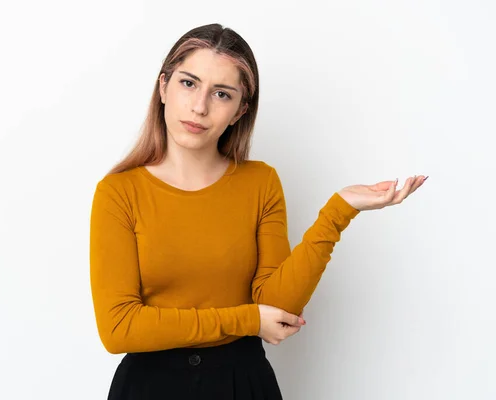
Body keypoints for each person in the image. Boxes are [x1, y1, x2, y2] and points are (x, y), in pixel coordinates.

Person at [89, 23, 427, 400]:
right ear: (163, 86)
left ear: (239, 111)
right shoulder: (119, 192)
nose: (199, 107)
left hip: (243, 385)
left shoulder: (260, 183)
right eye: (188, 83)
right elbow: (118, 327)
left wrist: (339, 211)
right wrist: (248, 319)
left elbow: (278, 307)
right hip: (150, 388)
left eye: (221, 94)